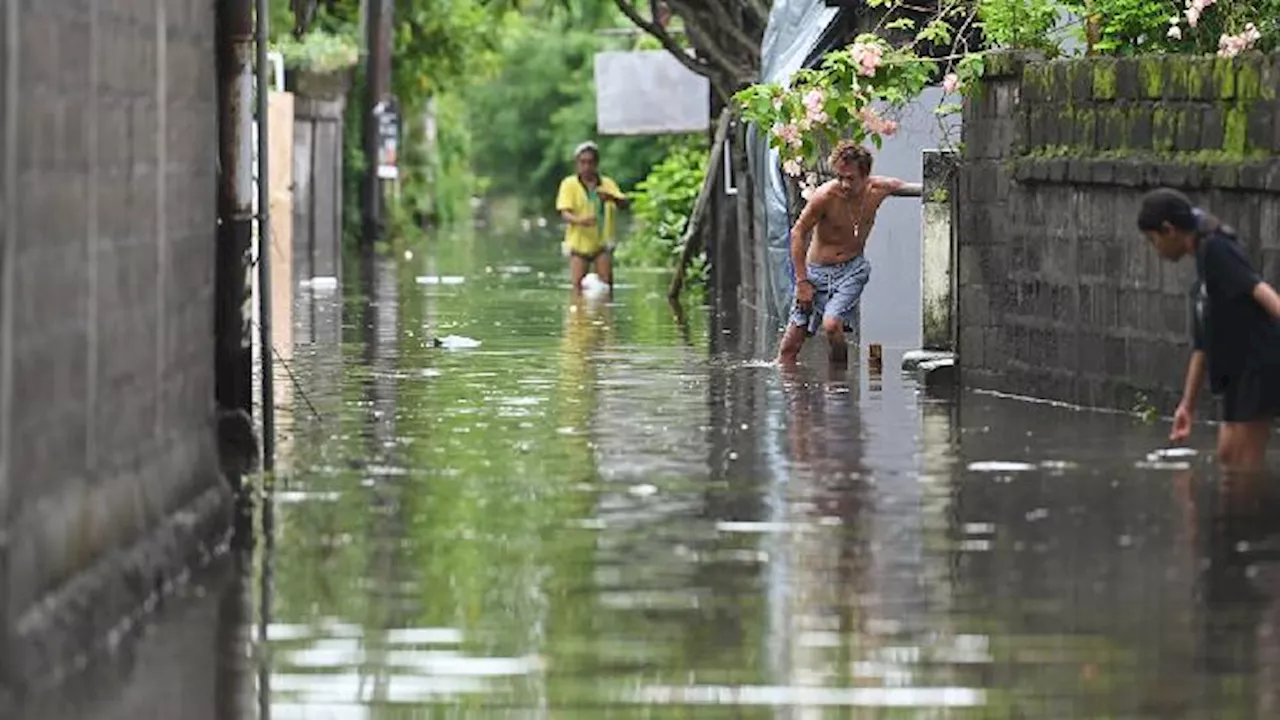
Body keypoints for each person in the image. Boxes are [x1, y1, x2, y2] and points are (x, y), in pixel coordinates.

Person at [1138, 188, 1280, 472]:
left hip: (1257, 367)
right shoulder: (1203, 271)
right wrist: (1186, 407)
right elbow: (1201, 347)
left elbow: (1262, 292)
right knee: (1229, 458)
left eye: (1153, 241)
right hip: (1237, 376)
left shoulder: (1216, 249)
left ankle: (1254, 514)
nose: (1156, 250)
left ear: (1169, 230)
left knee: (1244, 466)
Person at [776, 141, 921, 365]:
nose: (844, 184)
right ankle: (795, 394)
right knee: (789, 348)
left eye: (850, 178)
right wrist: (802, 281)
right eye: (840, 177)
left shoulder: (878, 190)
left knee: (832, 324)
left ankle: (838, 384)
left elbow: (914, 188)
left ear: (865, 176)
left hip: (851, 270)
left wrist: (942, 187)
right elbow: (797, 233)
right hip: (815, 273)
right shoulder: (825, 196)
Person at [556, 142, 628, 294]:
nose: (586, 167)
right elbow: (564, 212)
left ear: (596, 164)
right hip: (578, 245)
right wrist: (580, 221)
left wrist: (611, 198)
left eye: (590, 162)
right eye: (582, 162)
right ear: (577, 164)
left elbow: (624, 204)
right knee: (577, 288)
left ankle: (604, 316)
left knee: (607, 287)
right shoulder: (569, 184)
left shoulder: (607, 184)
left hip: (602, 244)